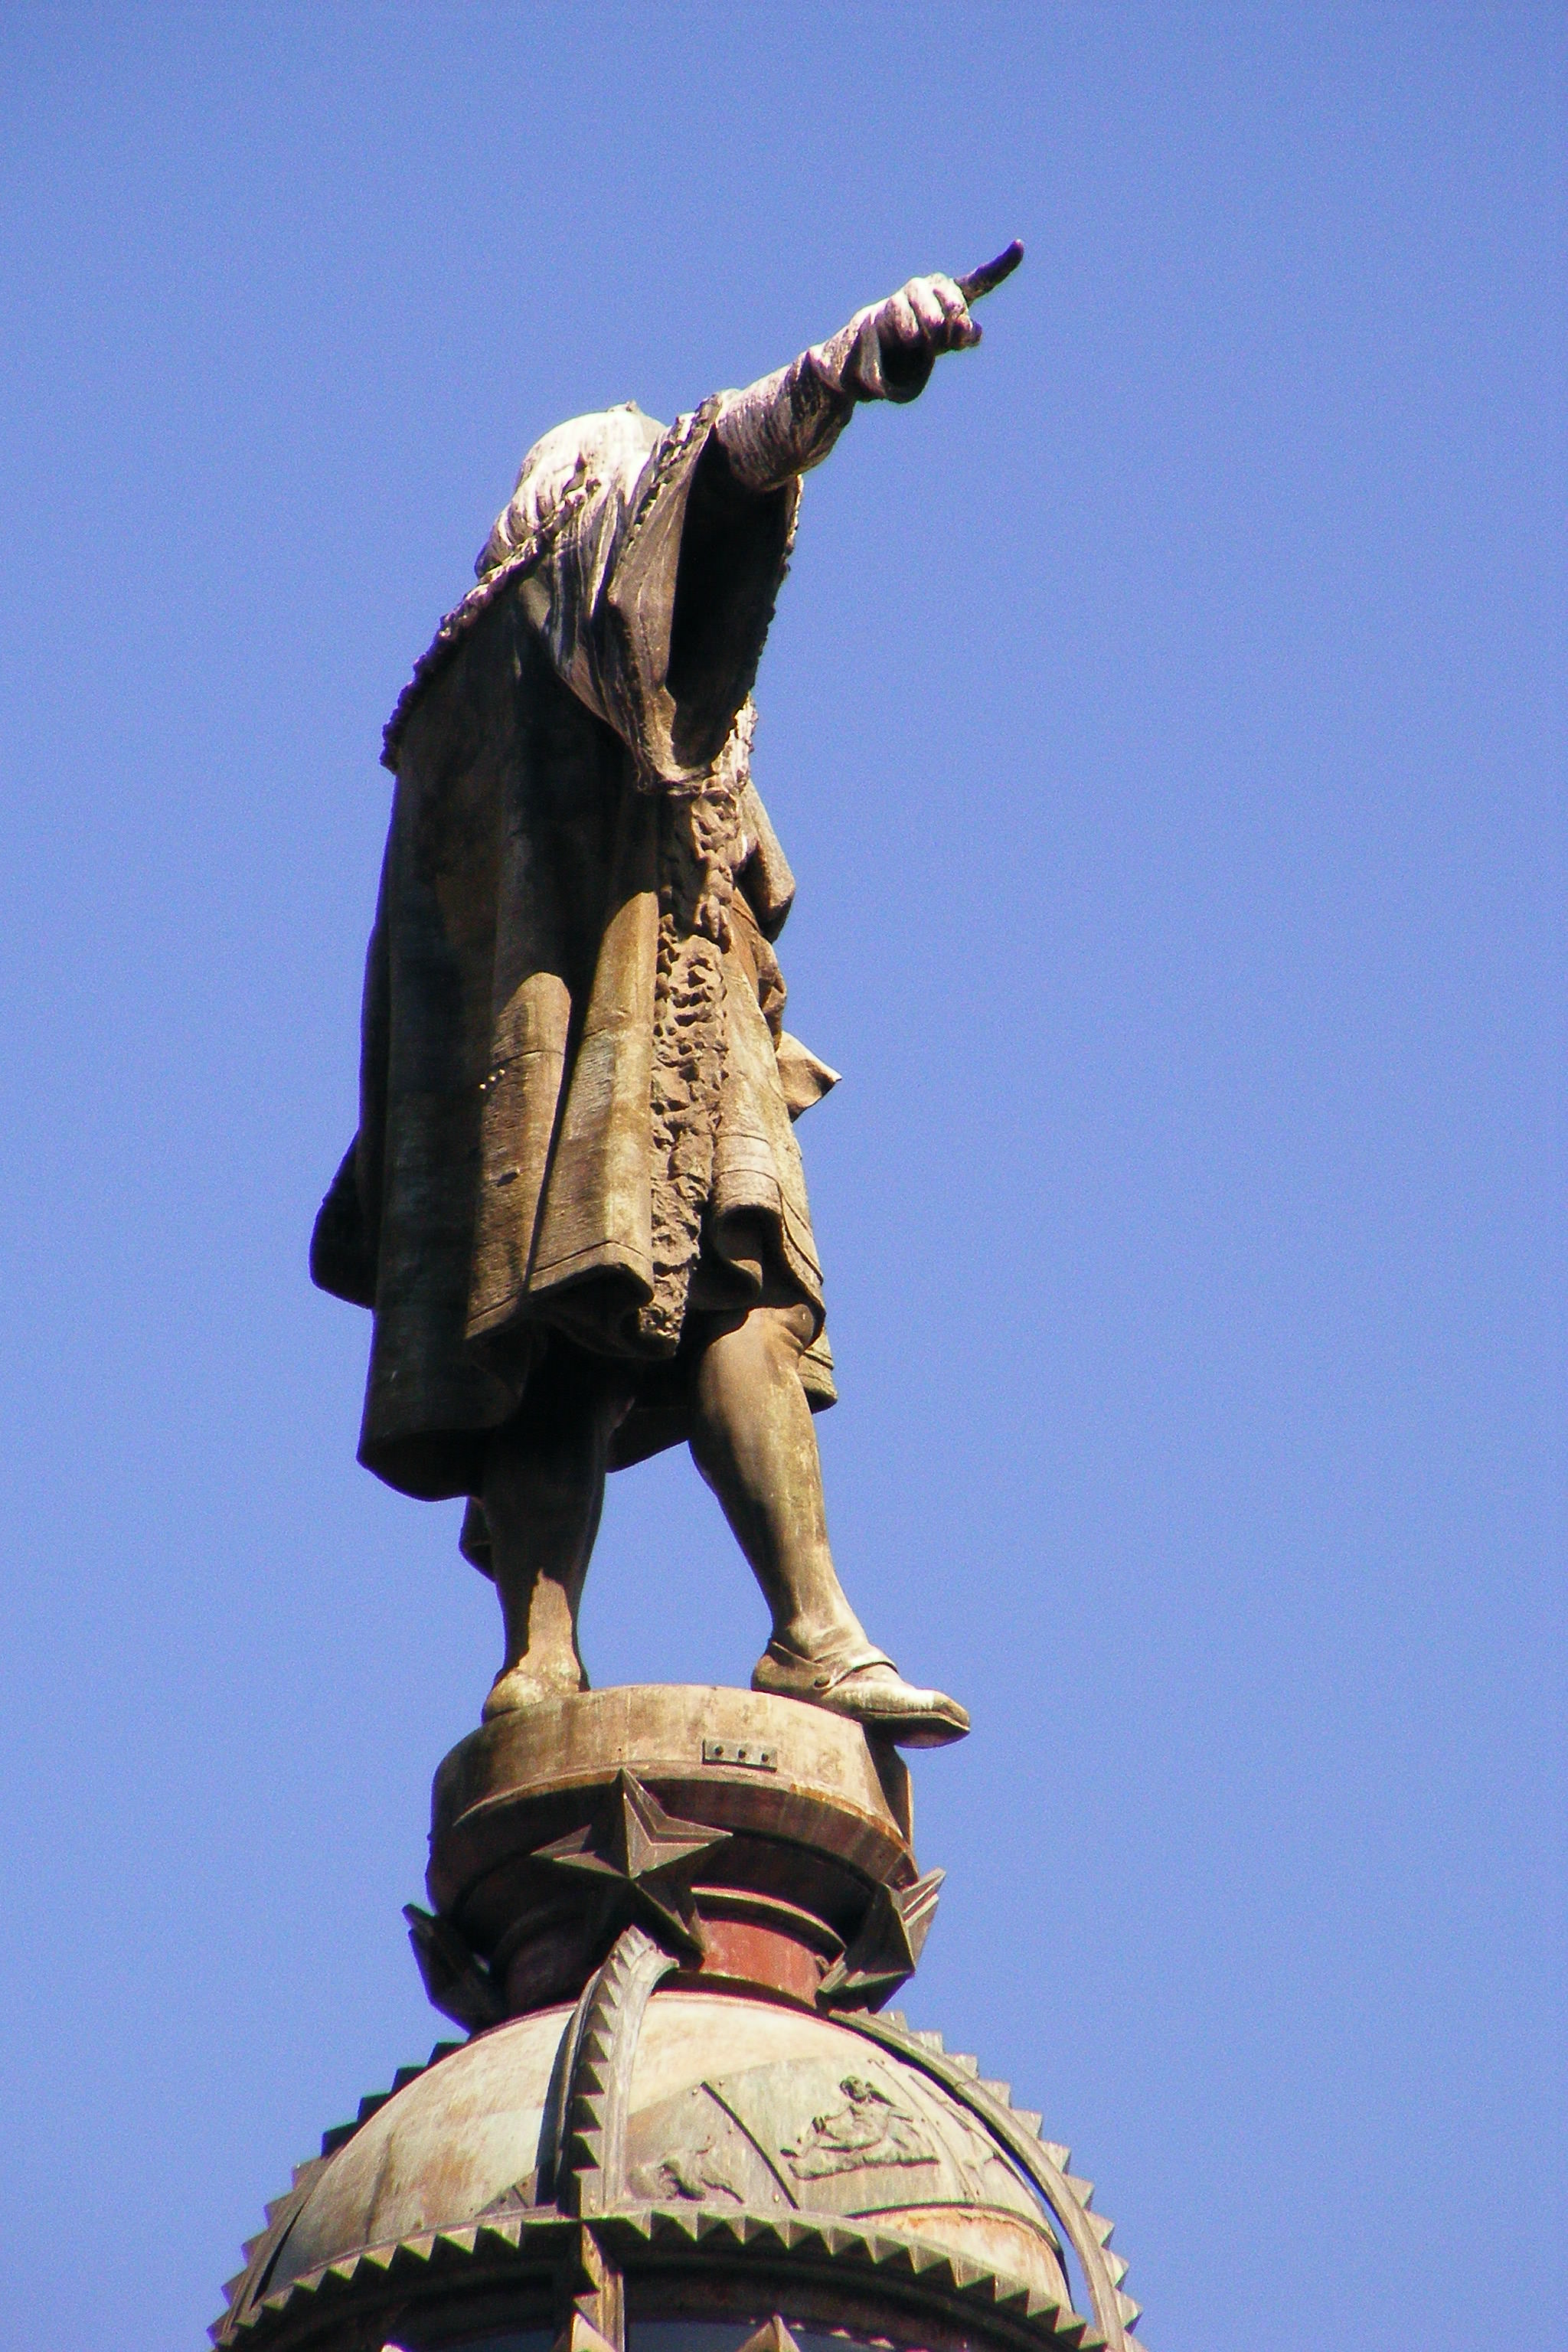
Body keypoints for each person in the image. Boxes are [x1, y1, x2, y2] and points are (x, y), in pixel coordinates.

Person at [312, 270, 988, 1744]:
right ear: (591, 501)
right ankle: (807, 1629)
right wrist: (845, 366)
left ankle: (547, 1660)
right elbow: (721, 470)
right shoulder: (575, 597)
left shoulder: (444, 717)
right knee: (728, 1293)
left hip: (527, 1083)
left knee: (558, 1326)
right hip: (642, 1034)